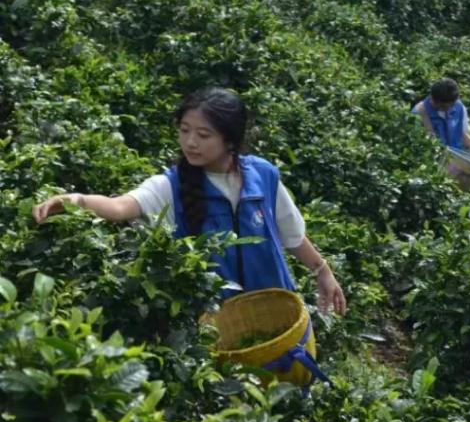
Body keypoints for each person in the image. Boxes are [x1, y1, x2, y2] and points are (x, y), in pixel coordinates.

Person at [32, 86, 346, 315]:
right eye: (184, 131)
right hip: (218, 329)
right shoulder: (171, 187)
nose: (190, 142)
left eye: (203, 135)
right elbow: (119, 207)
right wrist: (74, 200)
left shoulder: (263, 176)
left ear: (230, 140)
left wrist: (322, 271)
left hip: (280, 315)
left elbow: (291, 234)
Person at [413, 77, 470, 166]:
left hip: (457, 161)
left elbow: (462, 134)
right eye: (443, 107)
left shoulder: (459, 107)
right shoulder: (419, 113)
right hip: (434, 164)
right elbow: (423, 146)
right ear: (433, 98)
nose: (448, 110)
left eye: (451, 106)